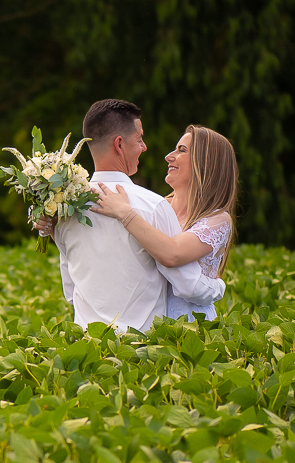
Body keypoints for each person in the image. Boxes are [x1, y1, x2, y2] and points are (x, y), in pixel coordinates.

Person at [37, 100, 224, 334]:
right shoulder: (154, 206)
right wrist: (219, 285)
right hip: (140, 350)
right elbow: (188, 285)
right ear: (119, 144)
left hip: (87, 347)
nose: (144, 147)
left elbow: (70, 289)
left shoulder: (64, 211)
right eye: (139, 139)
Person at [89, 125, 237, 322]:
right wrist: (54, 223)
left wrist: (125, 213)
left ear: (206, 163)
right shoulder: (157, 207)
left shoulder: (217, 219)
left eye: (181, 150)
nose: (169, 156)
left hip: (193, 327)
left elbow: (173, 254)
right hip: (147, 325)